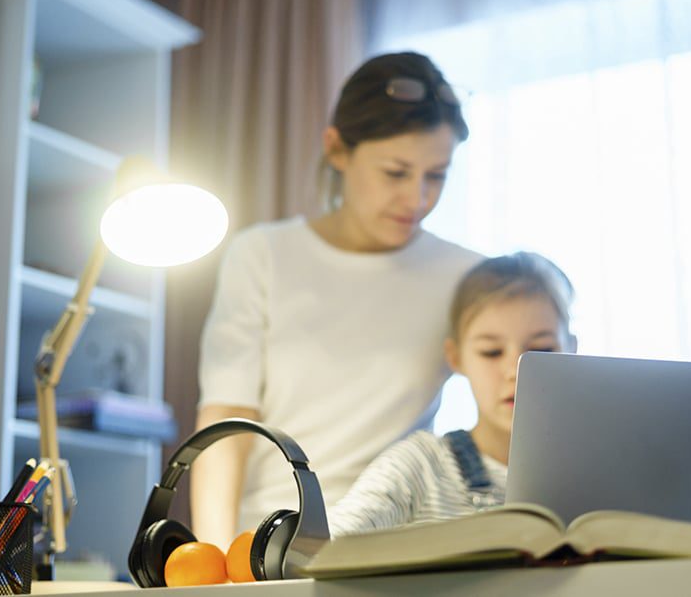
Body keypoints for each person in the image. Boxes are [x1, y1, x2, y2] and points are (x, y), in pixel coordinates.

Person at [192, 52, 482, 549]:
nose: (417, 199)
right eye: (396, 172)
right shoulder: (262, 255)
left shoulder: (463, 275)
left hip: (396, 551)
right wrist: (215, 565)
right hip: (269, 546)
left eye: (436, 176)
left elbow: (510, 408)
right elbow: (226, 424)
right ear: (336, 149)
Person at [329, 252, 576, 536]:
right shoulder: (421, 467)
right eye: (491, 352)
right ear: (456, 358)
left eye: (541, 349)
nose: (514, 371)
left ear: (571, 350)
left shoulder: (599, 470)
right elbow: (324, 549)